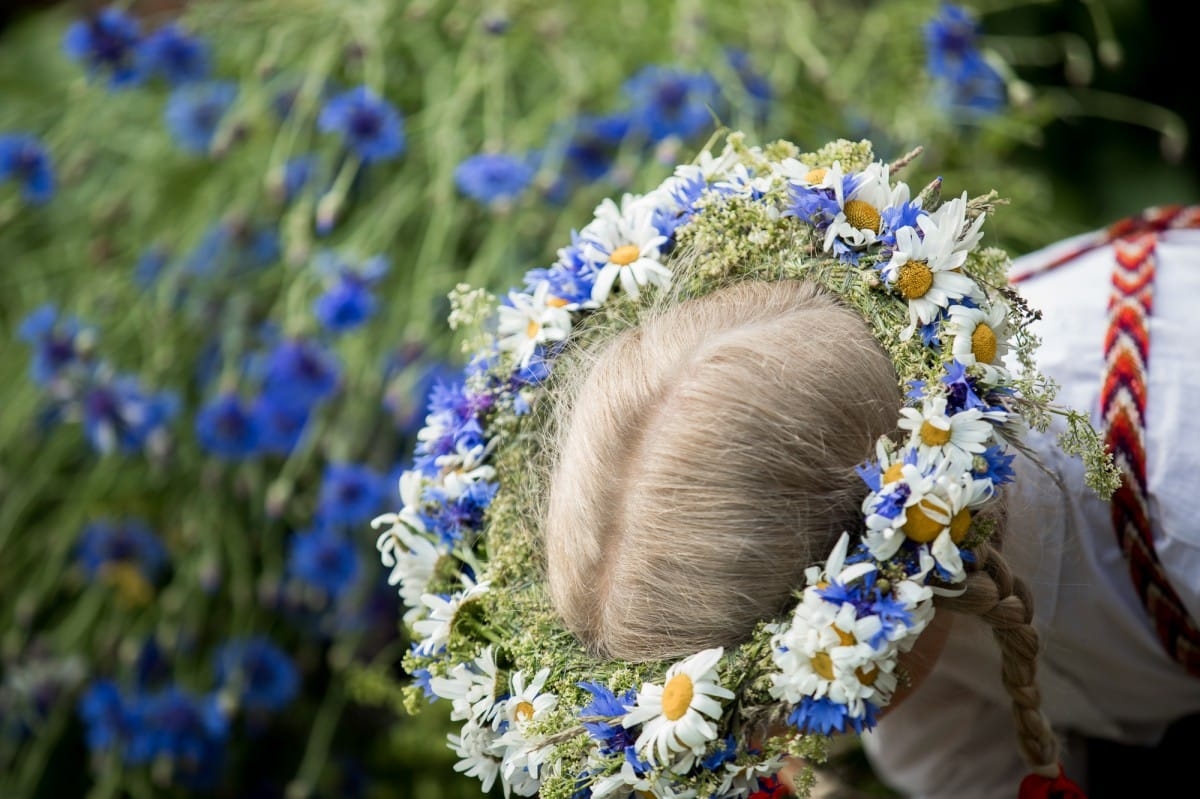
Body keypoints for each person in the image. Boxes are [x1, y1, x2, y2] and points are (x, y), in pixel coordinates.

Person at [373, 133, 1200, 799]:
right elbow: (960, 745)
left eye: (765, 703)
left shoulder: (1178, 486)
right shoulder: (933, 512)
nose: (775, 742)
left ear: (863, 604)